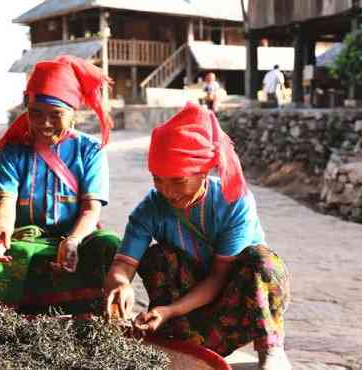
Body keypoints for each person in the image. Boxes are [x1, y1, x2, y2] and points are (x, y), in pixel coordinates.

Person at [104, 102, 291, 370]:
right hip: (188, 304)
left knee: (262, 261)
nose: (167, 191)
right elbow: (124, 264)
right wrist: (121, 283)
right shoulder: (150, 208)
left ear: (204, 171)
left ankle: (270, 347)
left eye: (178, 181)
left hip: (235, 297)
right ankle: (180, 336)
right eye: (158, 179)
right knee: (156, 257)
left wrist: (170, 310)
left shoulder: (234, 202)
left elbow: (218, 277)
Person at [0, 55, 121, 316]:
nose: (45, 124)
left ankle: (87, 319)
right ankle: (2, 327)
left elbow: (91, 209)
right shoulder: (12, 151)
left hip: (74, 236)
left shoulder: (90, 151)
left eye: (56, 115)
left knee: (108, 244)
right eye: (36, 113)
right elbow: (6, 201)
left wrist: (73, 240)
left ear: (73, 114)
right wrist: (1, 232)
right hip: (25, 235)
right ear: (27, 109)